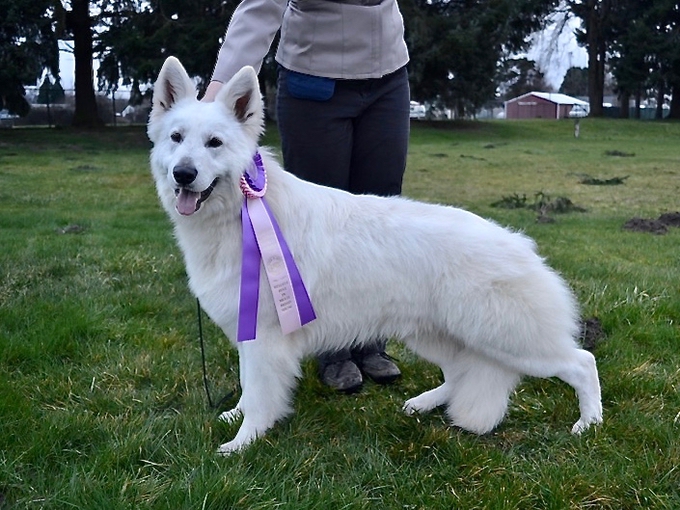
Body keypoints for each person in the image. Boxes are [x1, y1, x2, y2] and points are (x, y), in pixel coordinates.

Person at [202, 0, 410, 393]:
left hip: (389, 76)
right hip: (316, 82)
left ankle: (370, 340)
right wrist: (218, 90)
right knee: (317, 226)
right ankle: (332, 351)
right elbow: (260, 9)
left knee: (382, 218)